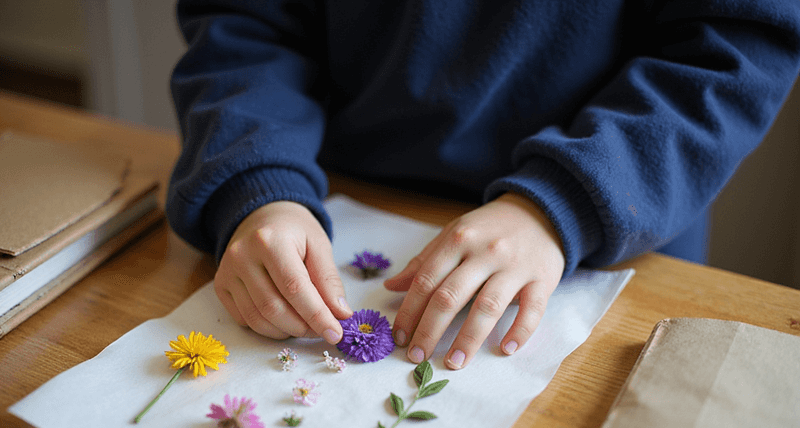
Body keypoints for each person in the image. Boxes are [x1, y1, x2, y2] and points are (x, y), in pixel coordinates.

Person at [166, 0, 800, 370]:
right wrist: (256, 179)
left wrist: (561, 206)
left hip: (616, 211)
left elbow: (736, 47)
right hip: (330, 195)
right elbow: (244, 19)